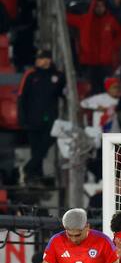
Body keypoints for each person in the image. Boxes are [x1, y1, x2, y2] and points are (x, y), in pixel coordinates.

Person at [17, 50, 65, 184]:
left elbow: (64, 93)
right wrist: (22, 118)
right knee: (35, 148)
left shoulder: (58, 76)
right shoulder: (30, 75)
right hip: (32, 118)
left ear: (48, 60)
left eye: (41, 58)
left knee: (46, 144)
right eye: (38, 58)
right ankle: (35, 176)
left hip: (50, 118)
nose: (38, 61)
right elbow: (21, 97)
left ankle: (28, 168)